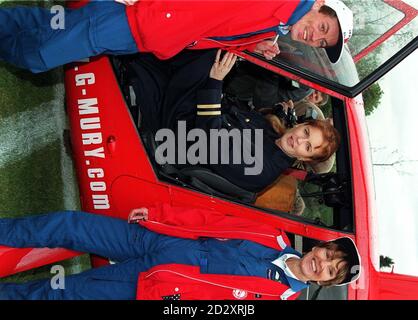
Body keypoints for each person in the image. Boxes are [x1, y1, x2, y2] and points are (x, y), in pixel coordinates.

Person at [0, 204, 362, 300]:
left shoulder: (276, 297)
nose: (323, 264)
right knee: (69, 225)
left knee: (61, 292)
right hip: (157, 241)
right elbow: (212, 221)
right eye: (330, 255)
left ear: (325, 282)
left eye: (331, 271)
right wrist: (160, 216)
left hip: (150, 285)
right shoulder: (273, 234)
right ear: (322, 245)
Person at [129, 49, 341, 193]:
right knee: (216, 52)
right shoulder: (271, 132)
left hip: (181, 135)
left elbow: (207, 141)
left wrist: (215, 81)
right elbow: (234, 111)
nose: (299, 140)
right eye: (305, 133)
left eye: (307, 147)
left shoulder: (262, 170)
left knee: (207, 55)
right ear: (301, 124)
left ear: (305, 158)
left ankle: (130, 41)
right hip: (196, 119)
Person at [0, 0, 353, 73]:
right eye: (322, 27)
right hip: (137, 16)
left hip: (143, 35)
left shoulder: (278, 23)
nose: (314, 37)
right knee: (39, 57)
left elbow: (216, 25)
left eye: (321, 43)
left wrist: (253, 44)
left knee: (52, 25)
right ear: (319, 4)